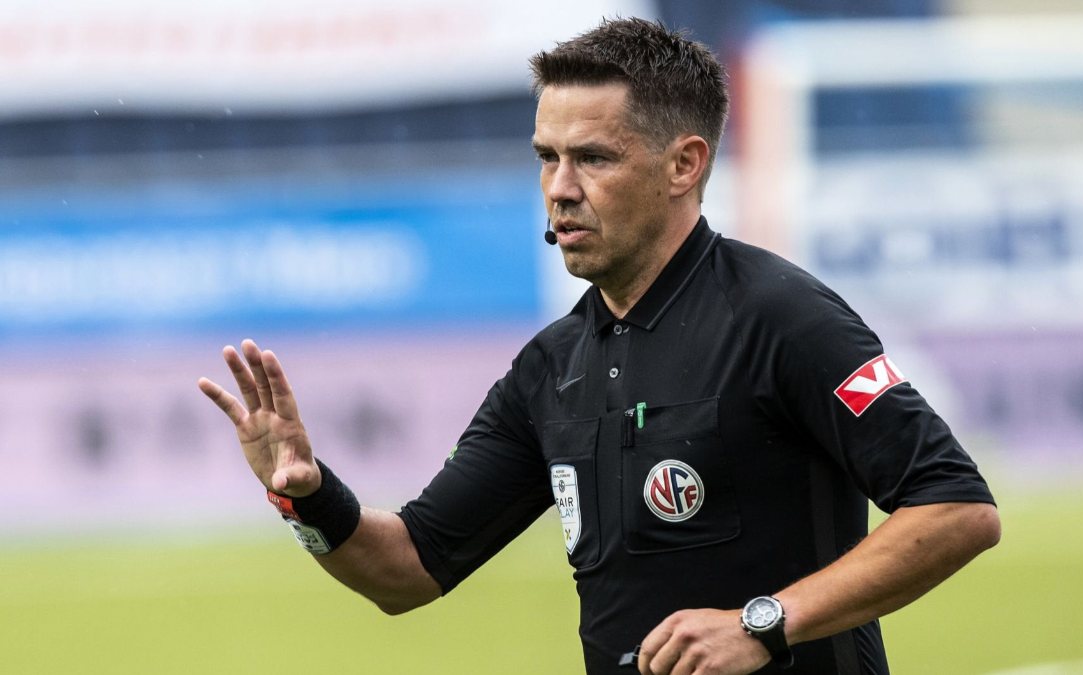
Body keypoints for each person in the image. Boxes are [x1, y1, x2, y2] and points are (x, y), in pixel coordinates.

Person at [198, 17, 1000, 675]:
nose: (559, 187)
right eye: (546, 157)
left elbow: (958, 508)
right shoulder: (551, 368)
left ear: (684, 164)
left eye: (592, 158)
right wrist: (306, 496)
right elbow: (406, 568)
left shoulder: (782, 316)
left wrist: (762, 623)